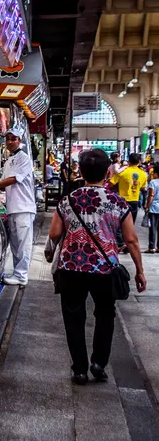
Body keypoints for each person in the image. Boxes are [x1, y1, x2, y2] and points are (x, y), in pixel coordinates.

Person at [48, 149, 146, 385]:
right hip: (104, 268)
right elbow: (131, 239)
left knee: (73, 316)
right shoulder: (117, 202)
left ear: (80, 172)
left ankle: (79, 368)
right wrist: (140, 271)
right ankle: (98, 363)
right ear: (107, 173)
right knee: (105, 314)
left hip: (71, 267)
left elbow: (54, 234)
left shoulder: (67, 200)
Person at [0, 127, 36, 286]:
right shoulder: (9, 160)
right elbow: (5, 186)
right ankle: (17, 273)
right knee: (16, 244)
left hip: (24, 207)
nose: (10, 142)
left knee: (24, 244)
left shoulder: (24, 158)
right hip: (13, 207)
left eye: (13, 139)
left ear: (19, 140)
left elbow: (14, 179)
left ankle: (22, 275)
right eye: (8, 139)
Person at [110, 153, 147, 224]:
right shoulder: (143, 174)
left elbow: (111, 184)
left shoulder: (122, 172)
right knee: (131, 224)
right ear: (139, 161)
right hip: (135, 201)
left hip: (122, 201)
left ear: (129, 161)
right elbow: (143, 187)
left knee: (120, 224)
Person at [145, 163, 159, 253]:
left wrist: (147, 206)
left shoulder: (153, 182)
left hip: (154, 207)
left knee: (153, 228)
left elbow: (151, 195)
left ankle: (152, 247)